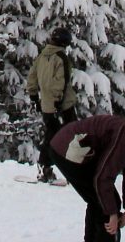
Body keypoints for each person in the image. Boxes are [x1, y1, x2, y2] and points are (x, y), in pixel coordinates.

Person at [50, 114, 125, 242]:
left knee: (102, 202)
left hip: (80, 152)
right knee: (105, 205)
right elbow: (102, 179)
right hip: (66, 149)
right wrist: (112, 213)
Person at [26, 25, 77, 183]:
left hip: (47, 105)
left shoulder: (42, 56)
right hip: (62, 104)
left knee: (51, 135)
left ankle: (45, 167)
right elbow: (60, 82)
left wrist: (35, 97)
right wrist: (58, 103)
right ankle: (75, 171)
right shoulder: (61, 57)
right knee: (73, 134)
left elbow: (32, 77)